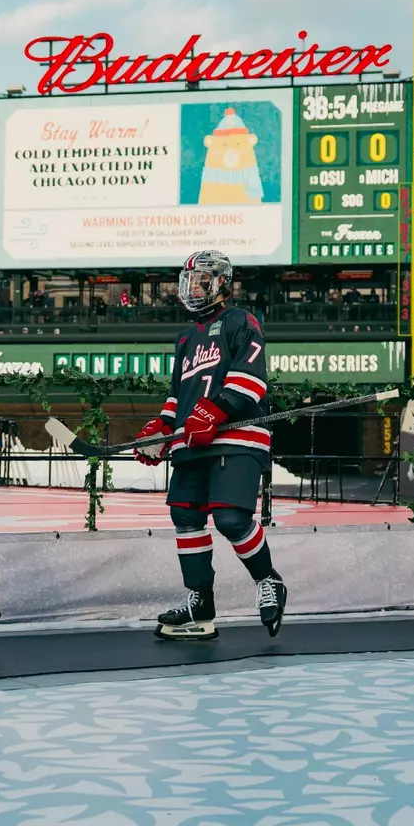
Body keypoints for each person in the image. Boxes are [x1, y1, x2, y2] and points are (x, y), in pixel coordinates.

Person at [134, 250, 286, 640]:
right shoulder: (185, 337)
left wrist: (214, 413)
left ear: (221, 283)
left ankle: (268, 580)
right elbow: (178, 394)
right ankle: (199, 601)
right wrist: (162, 425)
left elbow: (251, 382)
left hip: (236, 437)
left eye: (201, 280)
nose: (193, 288)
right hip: (191, 441)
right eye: (189, 281)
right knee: (185, 517)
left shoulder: (241, 321)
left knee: (231, 519)